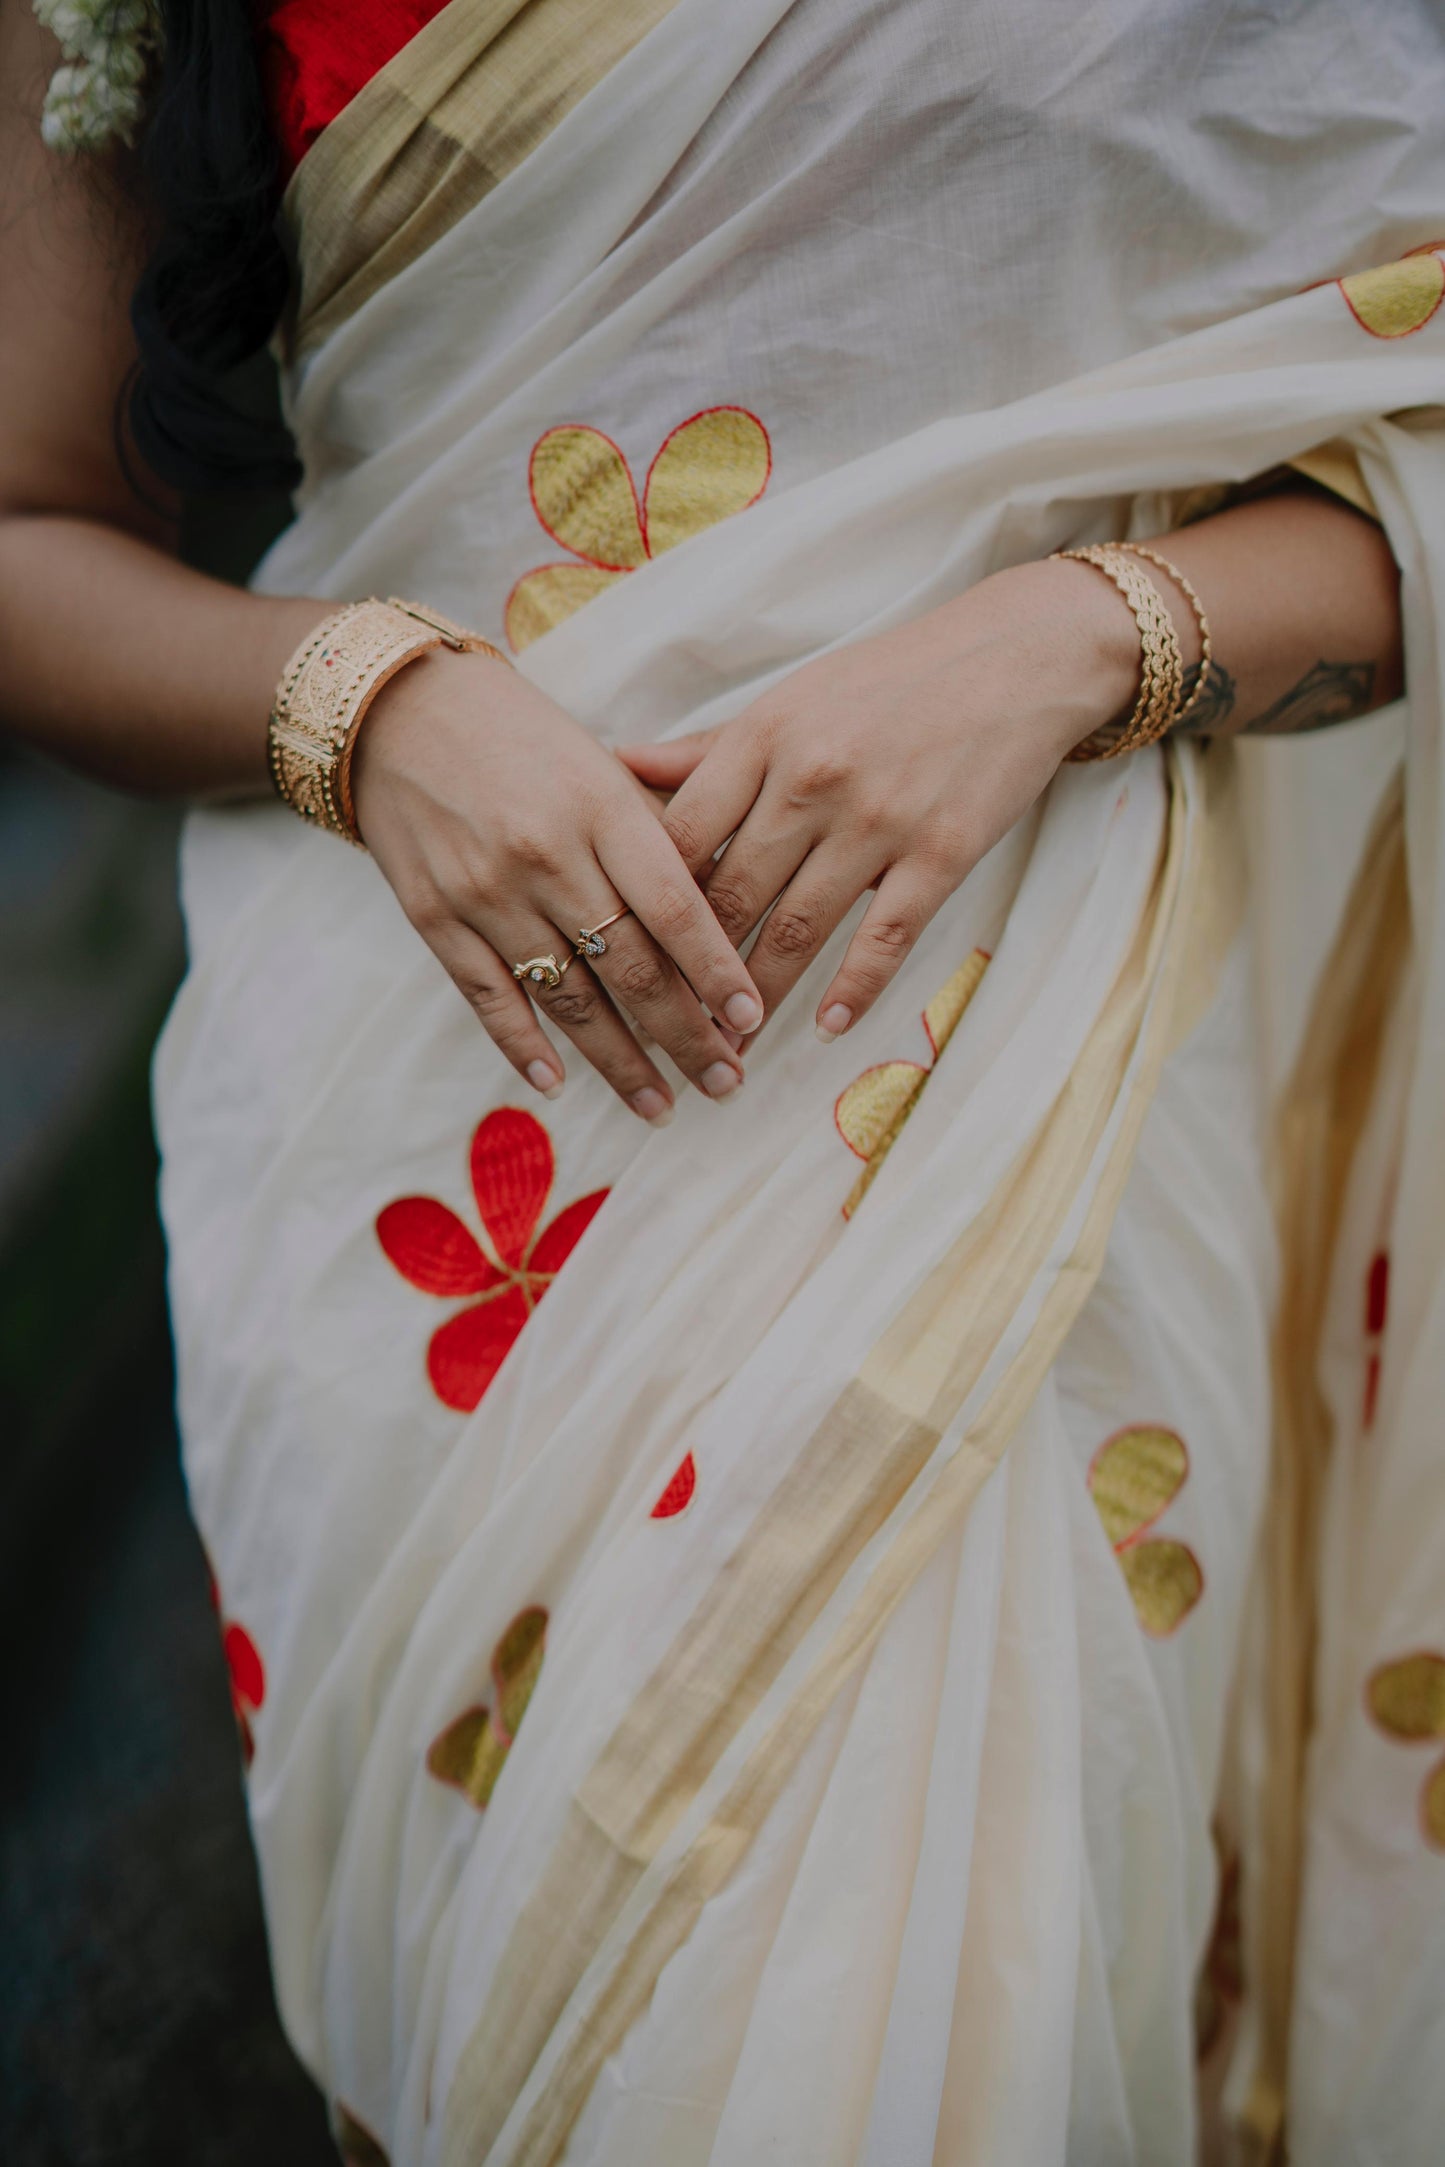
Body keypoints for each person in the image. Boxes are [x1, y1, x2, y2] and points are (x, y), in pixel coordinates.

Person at [2, 1, 1443, 2159]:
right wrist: (370, 708)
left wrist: (1066, 639)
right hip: (431, 1130)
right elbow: (27, 534)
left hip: (1035, 1102)